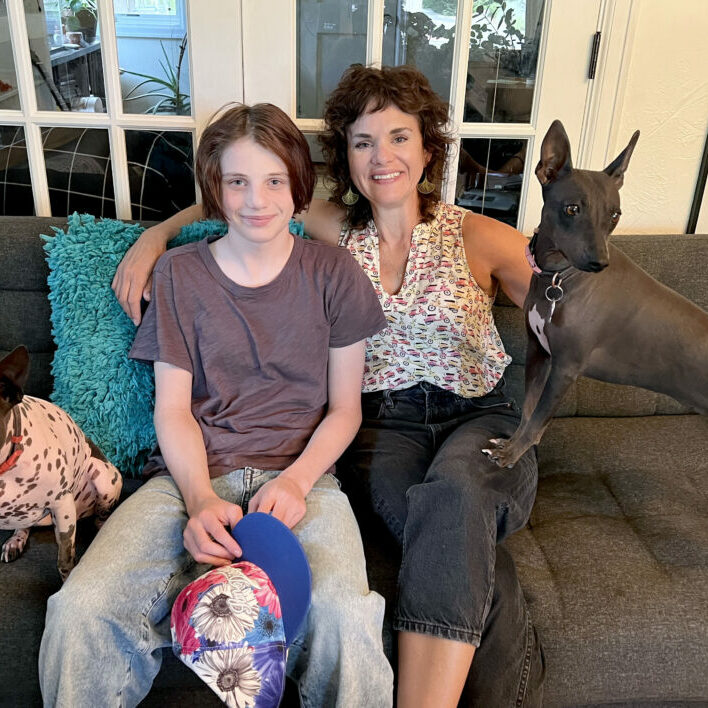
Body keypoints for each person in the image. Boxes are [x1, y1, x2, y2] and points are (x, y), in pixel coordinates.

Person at [112, 65, 544, 707]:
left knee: (455, 498)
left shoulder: (475, 234)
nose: (382, 156)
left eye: (399, 137)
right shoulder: (335, 229)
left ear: (429, 148)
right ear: (346, 156)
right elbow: (242, 193)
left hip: (478, 416)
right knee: (461, 535)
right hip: (385, 427)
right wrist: (155, 235)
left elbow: (568, 301)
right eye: (363, 141)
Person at [39, 102, 394, 707]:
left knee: (345, 618)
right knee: (81, 610)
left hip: (301, 483)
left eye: (274, 180)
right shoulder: (179, 274)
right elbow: (173, 409)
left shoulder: (335, 272)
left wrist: (300, 482)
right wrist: (200, 496)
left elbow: (346, 410)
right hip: (184, 481)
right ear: (216, 189)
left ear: (297, 185)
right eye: (238, 181)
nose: (257, 199)